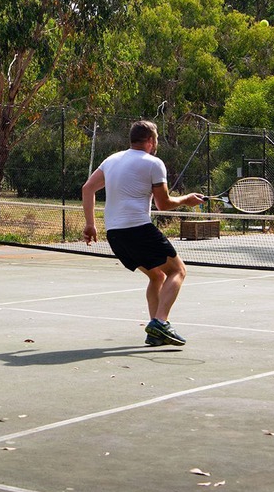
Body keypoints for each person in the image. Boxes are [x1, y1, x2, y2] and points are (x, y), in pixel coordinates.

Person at [81, 120, 205, 346]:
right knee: (178, 270)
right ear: (150, 140)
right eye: (155, 139)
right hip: (138, 229)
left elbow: (87, 188)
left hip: (115, 234)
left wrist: (90, 224)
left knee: (157, 275)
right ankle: (160, 321)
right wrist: (186, 200)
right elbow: (163, 204)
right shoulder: (154, 163)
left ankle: (155, 332)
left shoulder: (112, 160)